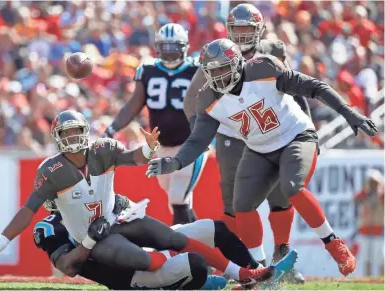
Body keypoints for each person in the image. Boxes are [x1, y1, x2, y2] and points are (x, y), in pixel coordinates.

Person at [147, 38, 378, 277]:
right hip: (259, 148)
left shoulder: (263, 69)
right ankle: (259, 269)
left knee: (292, 188)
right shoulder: (209, 98)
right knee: (242, 205)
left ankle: (334, 244)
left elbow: (314, 87)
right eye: (212, 71)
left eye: (223, 68)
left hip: (295, 135)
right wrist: (174, 162)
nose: (219, 76)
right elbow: (198, 140)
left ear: (237, 63)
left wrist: (348, 112)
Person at [0, 110, 278, 285]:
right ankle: (196, 276)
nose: (73, 139)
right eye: (67, 134)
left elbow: (134, 158)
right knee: (147, 259)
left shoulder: (103, 150)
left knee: (174, 237)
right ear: (57, 139)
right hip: (94, 238)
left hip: (118, 217)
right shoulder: (52, 171)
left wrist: (149, 149)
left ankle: (245, 273)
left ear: (86, 132)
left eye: (77, 132)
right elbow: (27, 210)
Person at [184, 4, 308, 283]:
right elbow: (191, 101)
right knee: (233, 204)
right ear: (228, 30)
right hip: (233, 137)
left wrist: (306, 130)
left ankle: (281, 257)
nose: (240, 36)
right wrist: (201, 135)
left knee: (280, 196)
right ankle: (244, 264)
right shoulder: (217, 50)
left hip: (271, 133)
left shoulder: (272, 51)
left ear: (259, 30)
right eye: (236, 29)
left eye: (246, 29)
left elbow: (293, 92)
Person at [33, 202, 296, 289]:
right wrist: (90, 239)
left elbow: (138, 226)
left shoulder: (96, 198)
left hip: (152, 248)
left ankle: (257, 278)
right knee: (197, 265)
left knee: (216, 229)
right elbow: (68, 267)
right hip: (132, 273)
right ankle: (209, 285)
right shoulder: (51, 226)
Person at [104, 23, 208, 224]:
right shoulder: (148, 70)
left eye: (174, 47)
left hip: (192, 144)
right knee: (178, 202)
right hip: (161, 147)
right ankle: (205, 243)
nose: (169, 53)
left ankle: (181, 251)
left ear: (185, 46)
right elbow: (135, 103)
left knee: (178, 199)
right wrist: (113, 127)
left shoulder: (197, 69)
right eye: (165, 47)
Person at [353, 169, 384, 276]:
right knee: (366, 258)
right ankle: (368, 278)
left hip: (378, 231)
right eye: (371, 182)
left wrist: (380, 189)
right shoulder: (364, 194)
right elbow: (355, 199)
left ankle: (382, 279)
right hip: (365, 230)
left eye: (375, 182)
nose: (373, 185)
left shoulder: (382, 194)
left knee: (380, 259)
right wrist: (365, 190)